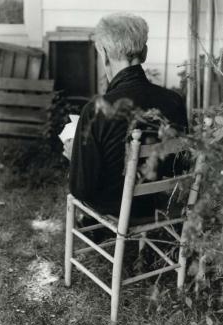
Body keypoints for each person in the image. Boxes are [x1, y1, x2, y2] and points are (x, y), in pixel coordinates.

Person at [69, 13, 188, 218]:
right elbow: (179, 165)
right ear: (144, 53)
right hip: (160, 202)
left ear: (104, 54)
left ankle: (94, 229)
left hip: (116, 206)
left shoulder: (96, 110)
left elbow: (82, 190)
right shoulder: (174, 101)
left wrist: (75, 155)